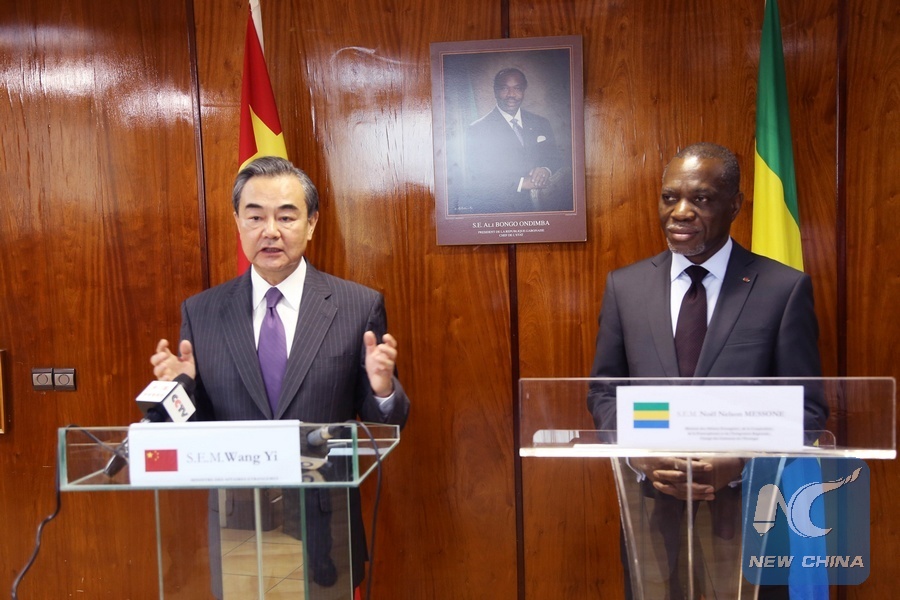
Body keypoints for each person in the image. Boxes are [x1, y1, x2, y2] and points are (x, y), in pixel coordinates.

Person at [150, 156, 410, 596]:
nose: (270, 231)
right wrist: (179, 390)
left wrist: (383, 389)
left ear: (311, 224)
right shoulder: (203, 312)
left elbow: (386, 421)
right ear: (238, 222)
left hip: (325, 524)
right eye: (255, 216)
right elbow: (193, 431)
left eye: (286, 217)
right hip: (236, 526)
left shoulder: (357, 306)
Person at [587, 142, 827, 599]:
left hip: (748, 510)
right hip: (652, 512)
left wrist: (737, 462)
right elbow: (604, 392)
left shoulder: (783, 289)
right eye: (669, 197)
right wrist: (640, 455)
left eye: (700, 198)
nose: (680, 212)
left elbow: (808, 408)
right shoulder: (625, 287)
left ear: (734, 205)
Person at [461, 67, 569, 214]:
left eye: (517, 88)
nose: (511, 94)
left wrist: (546, 170)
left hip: (546, 207)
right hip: (503, 209)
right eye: (504, 88)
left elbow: (556, 157)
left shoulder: (541, 122)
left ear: (523, 90)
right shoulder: (477, 129)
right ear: (495, 91)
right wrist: (521, 183)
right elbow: (479, 174)